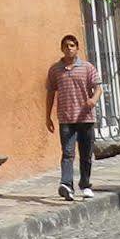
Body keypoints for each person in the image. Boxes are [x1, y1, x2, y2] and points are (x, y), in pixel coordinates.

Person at [47, 33, 102, 201]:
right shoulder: (55, 70)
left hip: (85, 118)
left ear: (77, 48)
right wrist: (47, 116)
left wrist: (93, 99)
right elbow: (50, 93)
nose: (69, 48)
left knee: (86, 154)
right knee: (68, 153)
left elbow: (98, 87)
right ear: (61, 49)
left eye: (72, 45)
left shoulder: (87, 67)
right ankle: (66, 185)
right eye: (66, 46)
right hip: (66, 118)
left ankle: (85, 184)